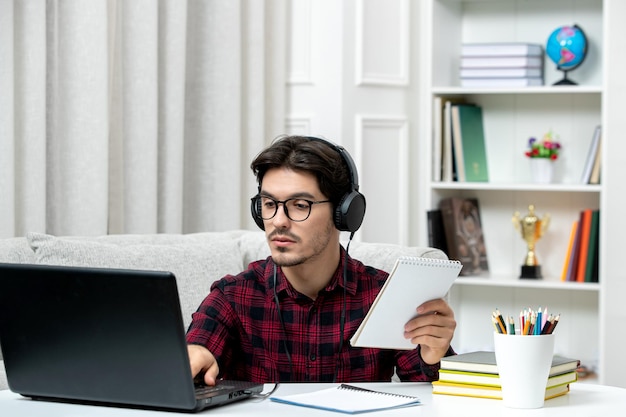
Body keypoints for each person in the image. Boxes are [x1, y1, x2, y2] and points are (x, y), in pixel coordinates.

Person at [186, 135, 456, 384]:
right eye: (269, 204)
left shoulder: (385, 295)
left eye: (300, 205)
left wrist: (434, 356)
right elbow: (198, 349)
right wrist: (195, 355)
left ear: (344, 213)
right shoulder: (232, 297)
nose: (278, 221)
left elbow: (438, 399)